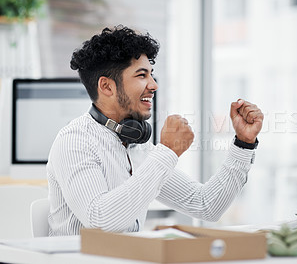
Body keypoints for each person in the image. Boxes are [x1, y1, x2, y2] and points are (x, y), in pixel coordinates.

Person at [47, 25, 264, 236]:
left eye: (151, 74)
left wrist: (243, 144)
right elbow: (101, 222)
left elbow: (206, 205)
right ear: (106, 87)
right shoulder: (75, 141)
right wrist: (167, 151)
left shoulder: (137, 147)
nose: (154, 85)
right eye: (142, 75)